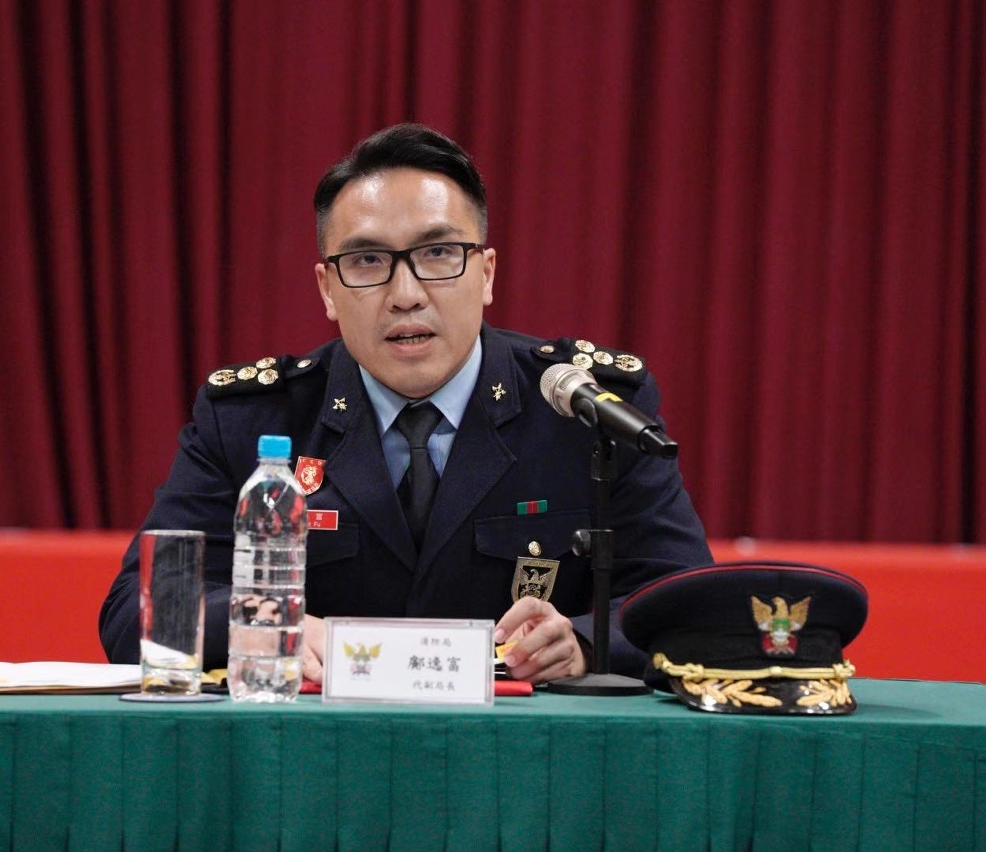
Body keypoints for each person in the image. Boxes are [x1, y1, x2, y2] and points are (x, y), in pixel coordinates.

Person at [99, 124, 712, 683]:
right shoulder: (251, 419)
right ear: (328, 290)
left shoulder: (583, 412)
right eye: (367, 261)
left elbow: (690, 604)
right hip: (317, 750)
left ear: (486, 273)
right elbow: (135, 610)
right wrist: (265, 621)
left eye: (438, 254)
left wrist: (582, 642)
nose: (406, 294)